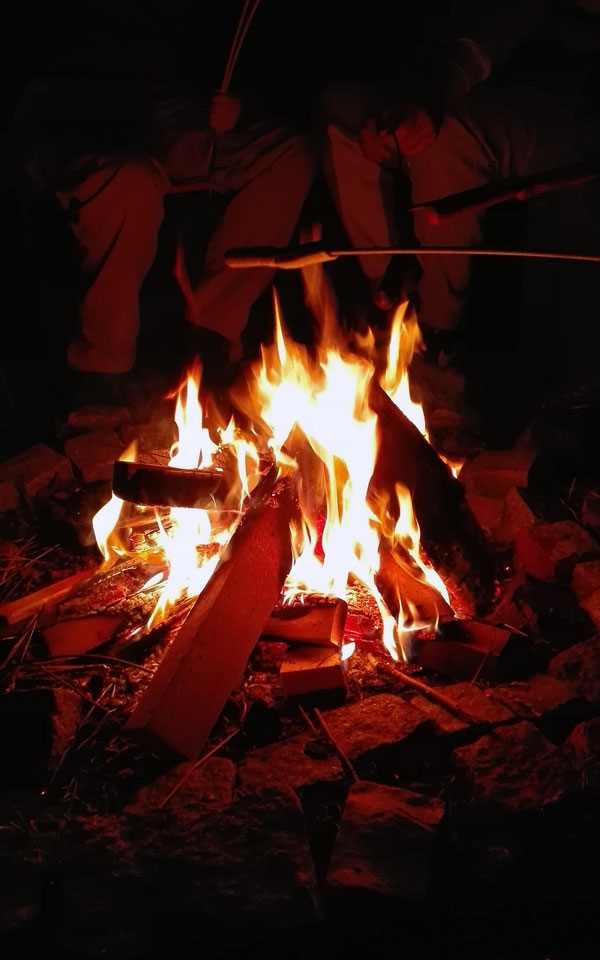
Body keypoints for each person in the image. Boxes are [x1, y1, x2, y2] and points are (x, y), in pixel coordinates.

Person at [322, 0, 600, 365]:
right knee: (341, 109)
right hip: (447, 79)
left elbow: (507, 23)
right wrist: (392, 114)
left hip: (553, 100)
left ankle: (436, 335)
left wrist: (438, 91)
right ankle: (388, 284)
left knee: (448, 134)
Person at [14, 79, 315, 397]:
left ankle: (209, 333)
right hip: (64, 117)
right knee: (130, 183)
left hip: (167, 117)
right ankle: (103, 364)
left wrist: (240, 108)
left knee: (291, 151)